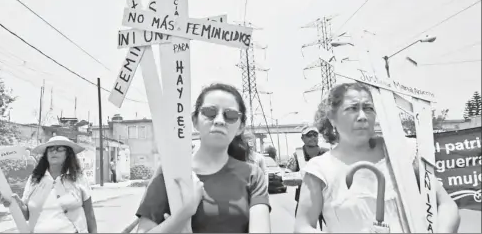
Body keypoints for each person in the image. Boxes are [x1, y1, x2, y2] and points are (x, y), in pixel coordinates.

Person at [294, 83, 461, 233]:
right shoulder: (320, 170)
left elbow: (446, 205)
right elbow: (303, 226)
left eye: (368, 108)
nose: (362, 116)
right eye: (352, 108)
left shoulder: (403, 153)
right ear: (332, 119)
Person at [135, 83, 271, 233]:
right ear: (194, 121)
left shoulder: (252, 175)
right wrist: (184, 213)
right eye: (209, 112)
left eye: (230, 115)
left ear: (241, 127)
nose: (219, 120)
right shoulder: (170, 172)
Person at [2, 136, 98, 233]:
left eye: (60, 149)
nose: (54, 152)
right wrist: (16, 203)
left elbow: (90, 215)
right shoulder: (34, 179)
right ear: (46, 155)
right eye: (50, 149)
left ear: (68, 154)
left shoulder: (79, 178)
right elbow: (26, 215)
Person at [285, 125, 328, 228]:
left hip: (326, 200)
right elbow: (287, 177)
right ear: (302, 138)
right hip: (305, 200)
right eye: (309, 135)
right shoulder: (297, 155)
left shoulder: (327, 153)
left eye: (315, 135)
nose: (313, 138)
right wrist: (302, 178)